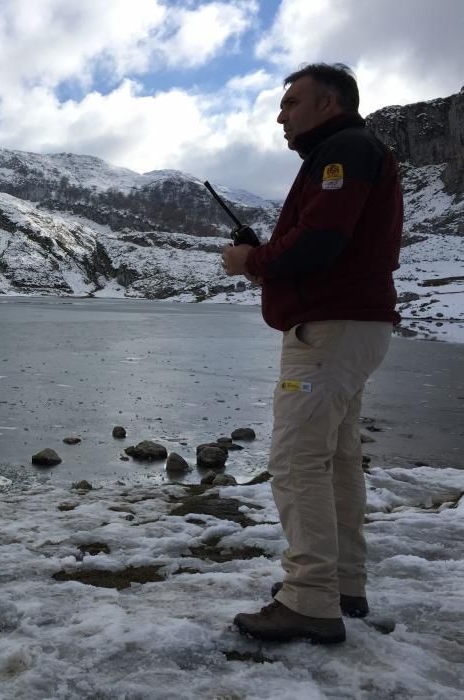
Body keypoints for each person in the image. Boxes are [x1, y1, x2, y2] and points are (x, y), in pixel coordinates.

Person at [221, 63, 403, 644]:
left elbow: (321, 244)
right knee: (338, 458)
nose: (281, 114)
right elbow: (324, 247)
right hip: (355, 328)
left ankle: (308, 599)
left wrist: (251, 261)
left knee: (299, 459)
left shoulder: (344, 151)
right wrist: (269, 256)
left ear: (329, 103)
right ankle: (343, 585)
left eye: (292, 102)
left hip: (327, 334)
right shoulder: (348, 153)